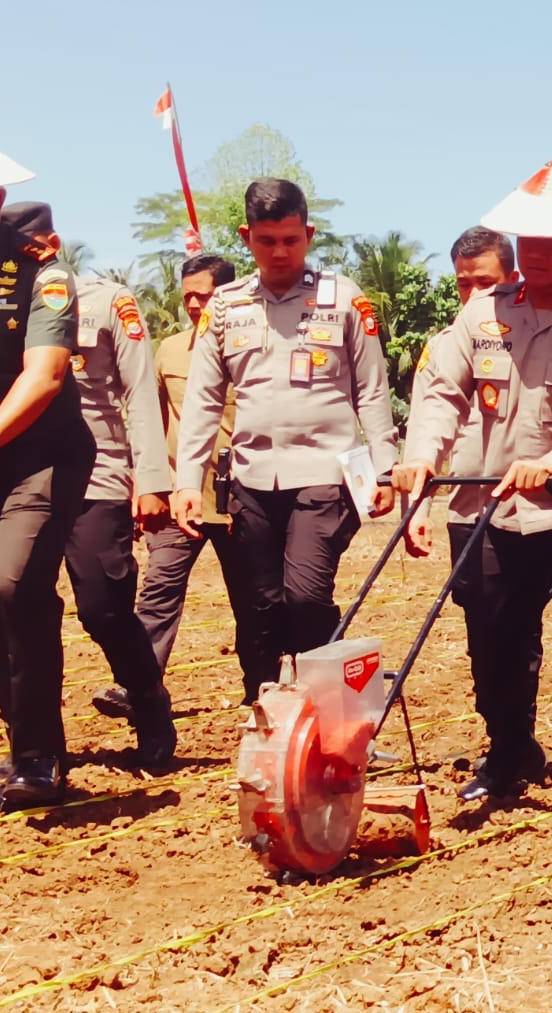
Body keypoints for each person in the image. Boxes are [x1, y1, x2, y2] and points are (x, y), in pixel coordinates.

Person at [393, 160, 552, 838]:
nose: (534, 251)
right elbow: (442, 393)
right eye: (526, 238)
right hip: (488, 508)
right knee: (493, 642)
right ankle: (508, 753)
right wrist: (421, 457)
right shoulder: (479, 316)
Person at [173, 178, 398, 686]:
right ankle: (270, 710)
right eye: (266, 240)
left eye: (291, 240)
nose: (279, 252)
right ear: (245, 236)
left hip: (327, 474)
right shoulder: (225, 307)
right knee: (262, 605)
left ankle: (329, 702)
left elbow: (372, 390)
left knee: (306, 594)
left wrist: (385, 470)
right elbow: (203, 402)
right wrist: (188, 482)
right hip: (251, 481)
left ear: (309, 234)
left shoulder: (343, 299)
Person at [1, 203, 179, 771]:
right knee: (16, 597)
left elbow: (140, 394)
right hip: (19, 467)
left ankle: (148, 699)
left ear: (50, 242)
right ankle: (33, 744)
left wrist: (151, 479)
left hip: (96, 470)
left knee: (102, 607)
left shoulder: (103, 299)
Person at [401, 226, 541, 775]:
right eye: (463, 284)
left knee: (523, 628)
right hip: (468, 504)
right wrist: (420, 508)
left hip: (536, 503)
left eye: (485, 282)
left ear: (513, 278)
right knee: (483, 630)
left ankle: (516, 741)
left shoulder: (541, 335)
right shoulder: (443, 346)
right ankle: (504, 733)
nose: (473, 295)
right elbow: (427, 426)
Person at [0, 148, 97, 803]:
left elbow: (45, 375)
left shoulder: (41, 271)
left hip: (40, 455)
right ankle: (23, 747)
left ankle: (39, 760)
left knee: (9, 585)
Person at [122, 253, 264, 706]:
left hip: (241, 498)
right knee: (158, 592)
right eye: (189, 297)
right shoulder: (168, 351)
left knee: (254, 603)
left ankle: (261, 694)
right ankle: (137, 687)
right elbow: (151, 417)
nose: (196, 305)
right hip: (179, 497)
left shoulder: (256, 348)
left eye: (205, 295)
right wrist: (145, 483)